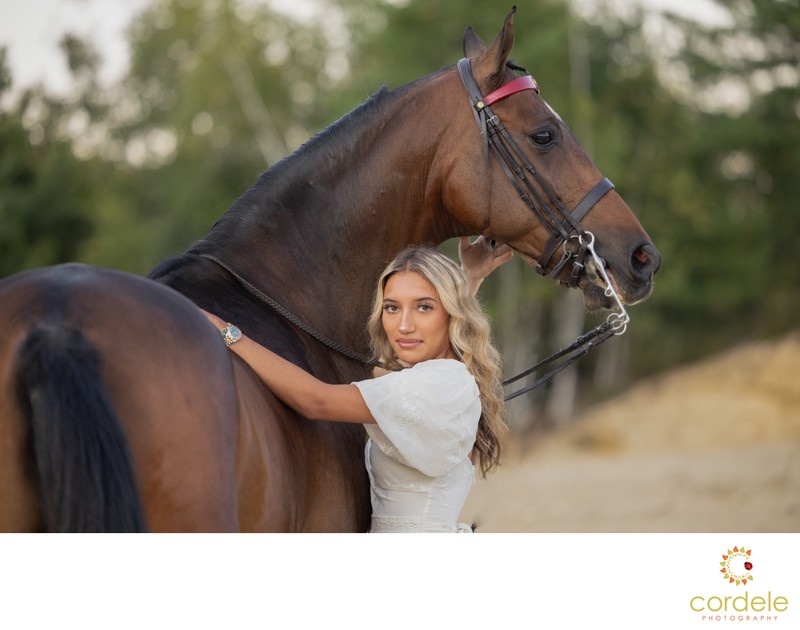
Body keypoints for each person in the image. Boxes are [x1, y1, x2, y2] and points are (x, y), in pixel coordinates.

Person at [203, 236, 513, 532]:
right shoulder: (445, 378)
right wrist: (469, 278)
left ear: (452, 312)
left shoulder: (436, 384)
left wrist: (227, 333)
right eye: (392, 308)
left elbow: (316, 400)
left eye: (423, 307)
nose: (404, 325)